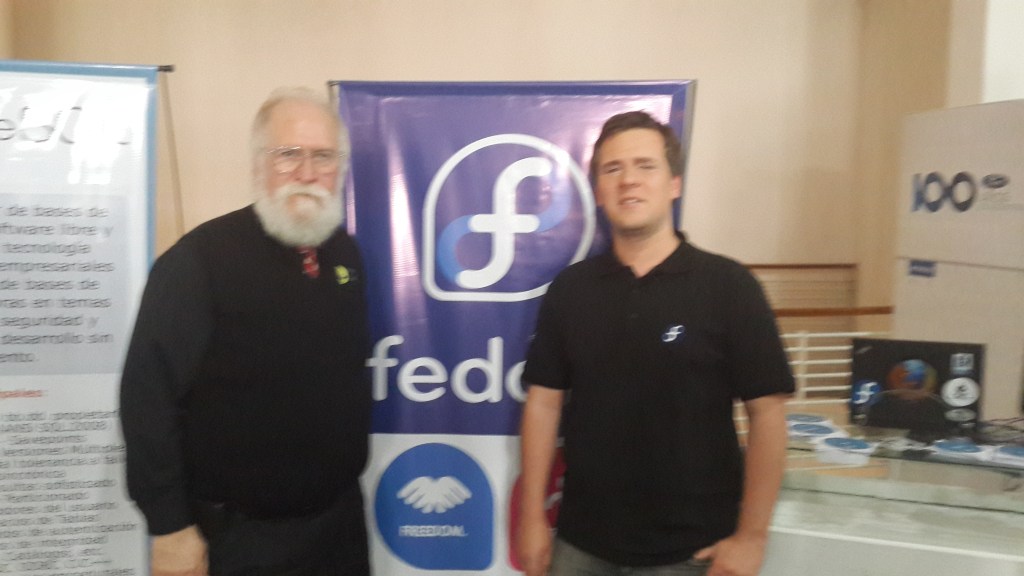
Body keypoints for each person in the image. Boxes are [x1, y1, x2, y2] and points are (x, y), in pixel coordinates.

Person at [516, 111, 794, 576]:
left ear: (674, 184)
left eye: (645, 166)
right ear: (599, 191)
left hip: (693, 552)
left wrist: (752, 536)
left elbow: (767, 415)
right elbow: (543, 404)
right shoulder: (571, 289)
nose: (629, 181)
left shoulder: (729, 286)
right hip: (581, 544)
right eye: (613, 169)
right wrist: (531, 518)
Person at [119, 88, 371, 576]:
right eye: (288, 154)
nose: (307, 173)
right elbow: (147, 396)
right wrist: (169, 527)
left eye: (323, 156)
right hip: (240, 539)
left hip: (338, 527)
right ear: (258, 164)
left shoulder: (345, 253)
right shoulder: (200, 262)